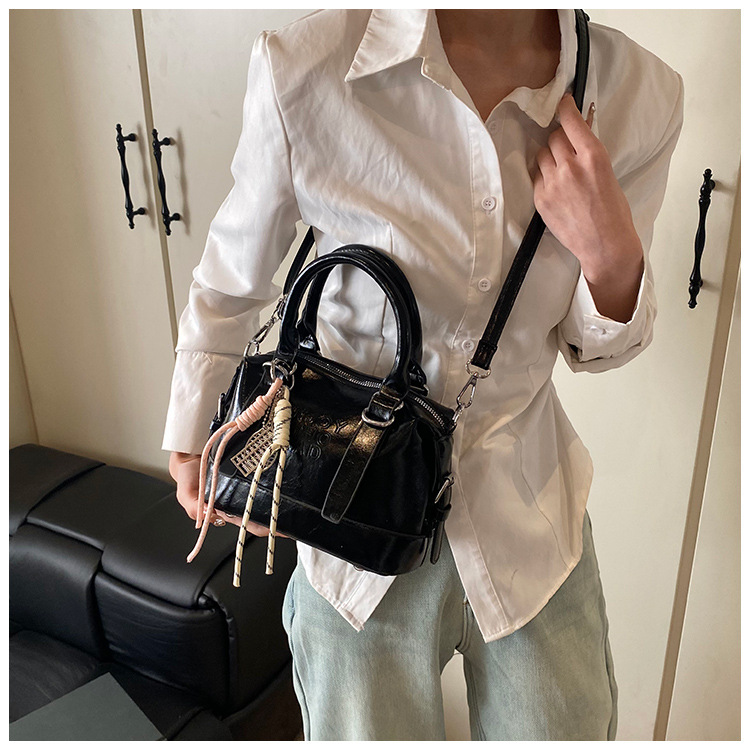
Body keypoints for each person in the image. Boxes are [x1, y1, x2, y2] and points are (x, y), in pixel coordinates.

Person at [163, 9, 684, 741]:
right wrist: (194, 434)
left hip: (532, 520)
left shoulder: (639, 94)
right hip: (349, 524)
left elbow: (594, 348)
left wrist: (612, 254)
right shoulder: (308, 65)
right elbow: (231, 277)